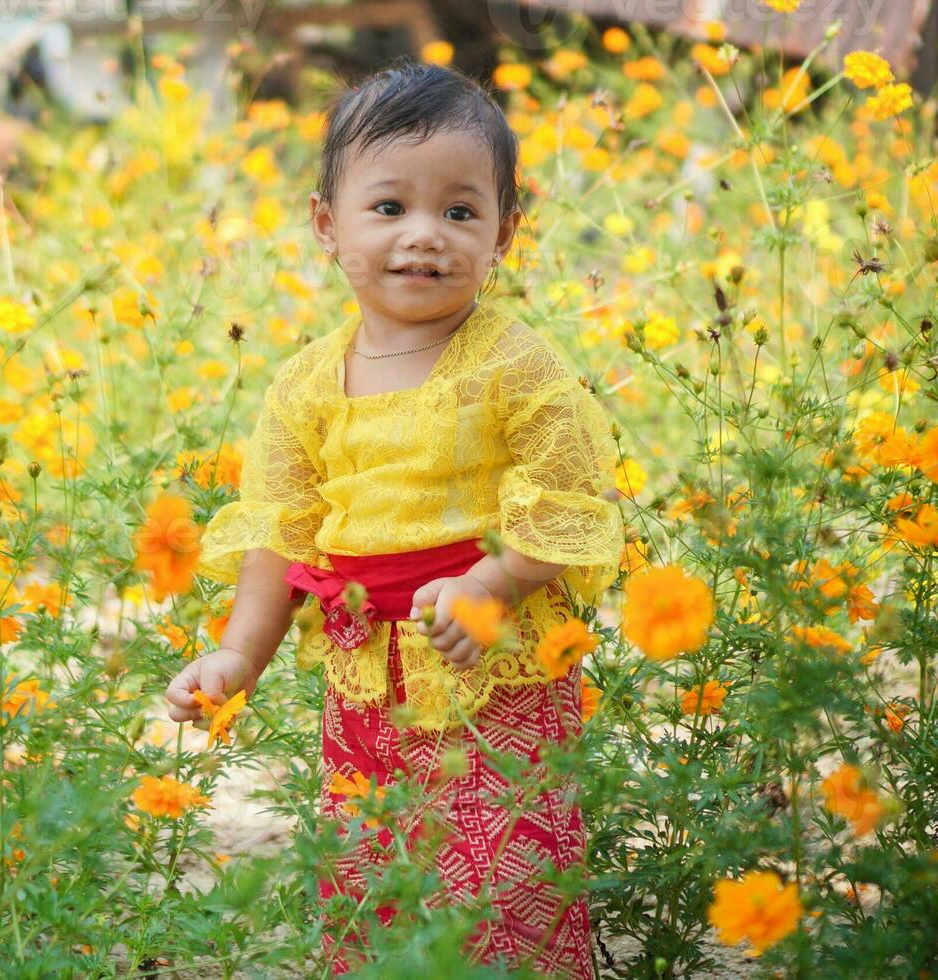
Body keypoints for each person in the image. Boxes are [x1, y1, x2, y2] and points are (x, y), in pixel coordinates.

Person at [162, 60, 625, 978]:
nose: (426, 238)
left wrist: (489, 585)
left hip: (496, 662)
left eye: (460, 212)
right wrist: (238, 655)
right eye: (389, 209)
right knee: (376, 859)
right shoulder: (304, 384)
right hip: (364, 670)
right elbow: (284, 538)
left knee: (503, 868)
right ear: (327, 224)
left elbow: (571, 496)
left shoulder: (514, 366)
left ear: (505, 234)